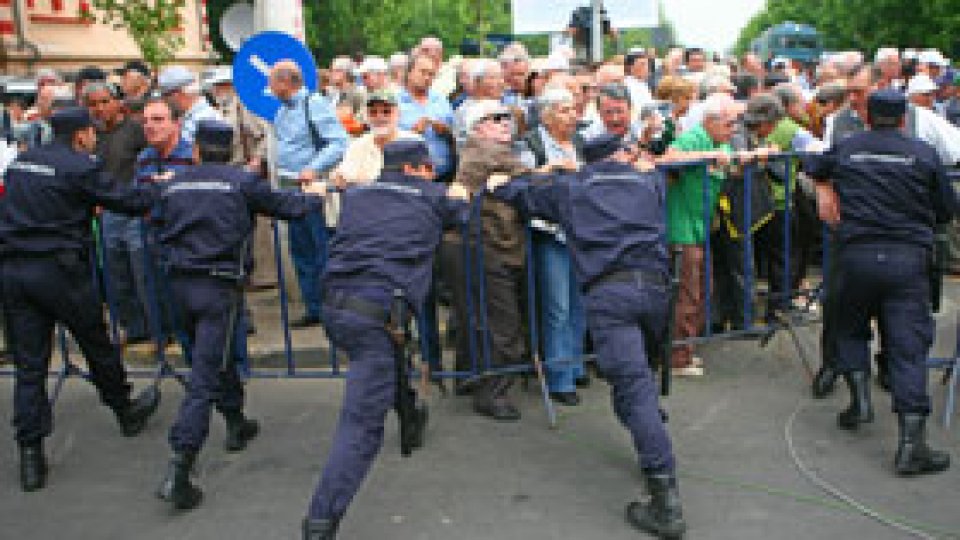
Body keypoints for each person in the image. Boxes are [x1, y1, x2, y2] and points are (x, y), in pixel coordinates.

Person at [487, 133, 687, 539]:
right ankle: (647, 422)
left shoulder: (573, 188)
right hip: (655, 289)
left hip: (610, 294)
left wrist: (500, 184)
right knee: (639, 378)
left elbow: (522, 196)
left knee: (634, 387)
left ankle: (666, 501)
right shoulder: (647, 182)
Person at [153, 120, 327, 510]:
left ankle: (234, 421)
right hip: (217, 286)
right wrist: (316, 194)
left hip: (178, 284)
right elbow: (291, 208)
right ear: (230, 150)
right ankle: (180, 466)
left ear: (196, 150)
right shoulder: (241, 182)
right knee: (203, 376)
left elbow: (154, 219)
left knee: (209, 360)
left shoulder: (174, 183)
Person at [301, 140, 469, 539]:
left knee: (386, 358)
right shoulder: (433, 195)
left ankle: (410, 416)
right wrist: (460, 194)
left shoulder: (358, 194)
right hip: (376, 317)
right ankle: (320, 522)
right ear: (420, 169)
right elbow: (465, 218)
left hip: (338, 308)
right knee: (361, 426)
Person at [0, 107, 161, 492]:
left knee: (30, 366)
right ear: (80, 136)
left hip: (15, 270)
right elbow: (127, 201)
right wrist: (159, 187)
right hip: (60, 270)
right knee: (96, 343)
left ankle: (30, 456)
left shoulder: (23, 162)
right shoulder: (78, 166)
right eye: (91, 132)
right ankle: (125, 410)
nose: (93, 138)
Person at [804, 90, 955, 476]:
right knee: (908, 345)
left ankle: (859, 403)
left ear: (867, 116)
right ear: (903, 118)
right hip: (907, 258)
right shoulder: (922, 152)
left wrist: (825, 186)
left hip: (856, 253)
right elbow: (946, 208)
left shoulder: (848, 147)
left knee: (850, 328)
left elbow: (813, 164)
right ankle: (910, 443)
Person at [270, 59, 348, 328]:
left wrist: (313, 168)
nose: (268, 86)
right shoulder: (282, 112)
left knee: (320, 248)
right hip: (290, 188)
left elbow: (338, 141)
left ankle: (330, 306)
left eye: (272, 81)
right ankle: (313, 306)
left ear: (285, 82)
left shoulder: (312, 104)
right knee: (300, 249)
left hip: (310, 189)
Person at [84, 81, 151, 345]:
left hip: (133, 209)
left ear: (117, 103)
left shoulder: (135, 131)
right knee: (116, 274)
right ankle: (132, 327)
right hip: (107, 213)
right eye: (93, 104)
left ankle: (156, 326)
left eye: (104, 102)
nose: (100, 109)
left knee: (141, 271)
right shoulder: (92, 136)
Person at [397, 54, 455, 182]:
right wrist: (412, 134)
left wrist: (445, 131)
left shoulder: (441, 100)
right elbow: (384, 140)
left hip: (443, 175)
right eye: (423, 72)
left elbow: (455, 136)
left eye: (431, 74)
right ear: (409, 72)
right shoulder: (394, 102)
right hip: (408, 177)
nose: (427, 78)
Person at [157, 66, 223, 144]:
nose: (164, 101)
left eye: (165, 96)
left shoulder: (205, 119)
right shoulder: (192, 116)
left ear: (176, 95)